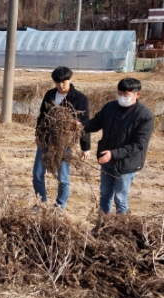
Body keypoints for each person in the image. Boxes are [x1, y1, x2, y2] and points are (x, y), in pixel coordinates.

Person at [82, 78, 154, 214]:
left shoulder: (145, 116)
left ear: (137, 94)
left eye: (126, 95)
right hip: (106, 159)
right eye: (120, 93)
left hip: (126, 164)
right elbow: (96, 123)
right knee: (105, 194)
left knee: (120, 198)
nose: (122, 97)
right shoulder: (110, 107)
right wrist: (80, 126)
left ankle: (121, 228)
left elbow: (139, 144)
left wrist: (113, 154)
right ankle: (102, 225)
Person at [32, 66, 90, 210]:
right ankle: (41, 203)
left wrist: (86, 147)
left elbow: (85, 123)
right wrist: (38, 134)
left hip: (65, 142)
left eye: (64, 82)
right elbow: (42, 116)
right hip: (46, 140)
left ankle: (60, 206)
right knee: (37, 174)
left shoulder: (79, 98)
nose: (61, 86)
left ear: (70, 80)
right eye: (57, 82)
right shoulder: (50, 95)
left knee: (63, 177)